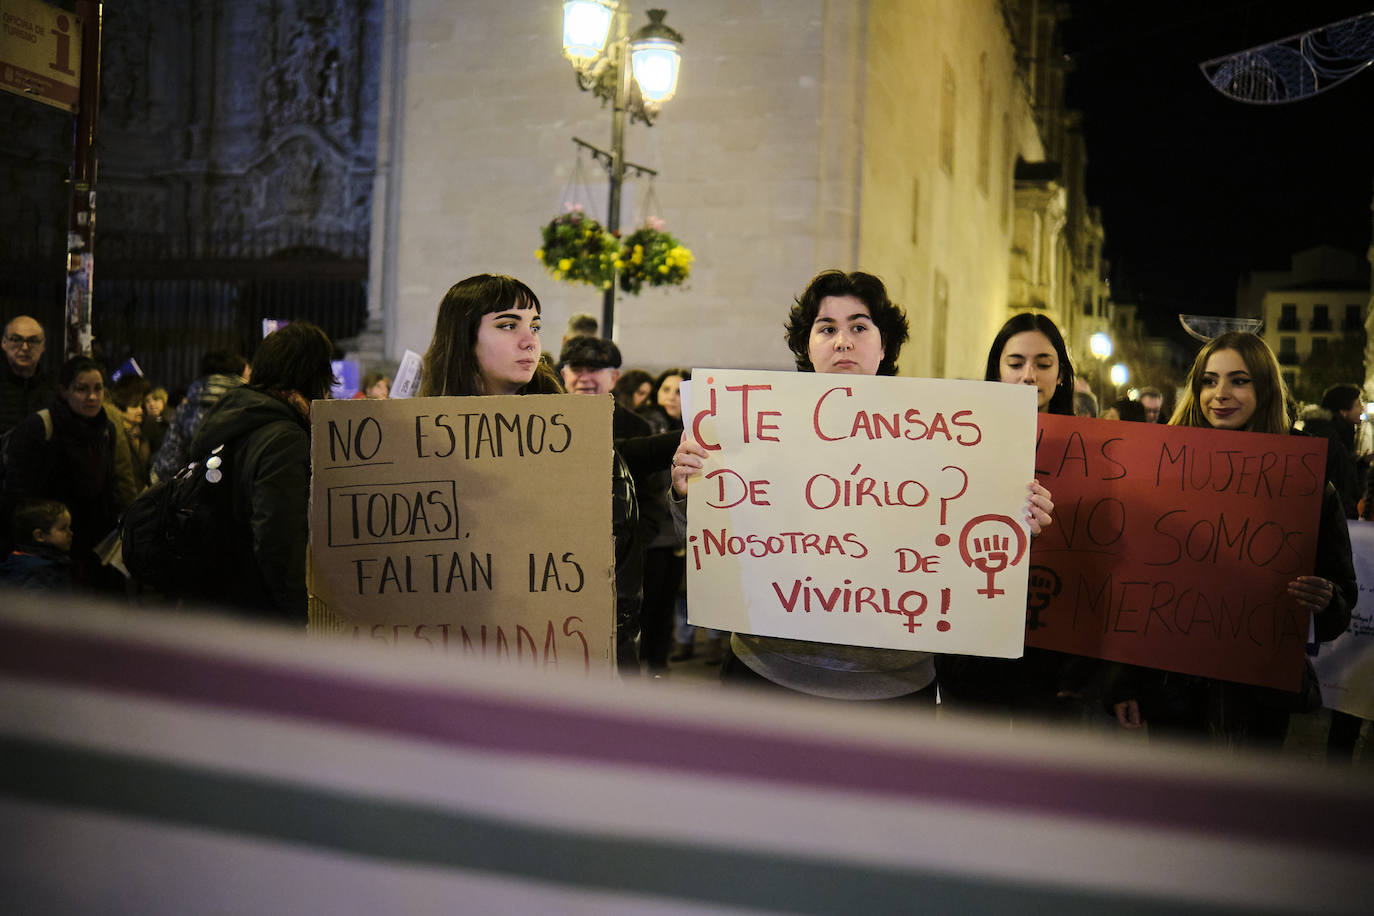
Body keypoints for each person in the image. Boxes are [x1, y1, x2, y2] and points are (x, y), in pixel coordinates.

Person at [669, 271, 1054, 702]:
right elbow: (711, 548)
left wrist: (1019, 519)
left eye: (858, 326)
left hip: (893, 689)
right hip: (768, 676)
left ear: (883, 343)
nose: (843, 341)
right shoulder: (751, 426)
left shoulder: (946, 434)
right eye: (827, 328)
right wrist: (690, 493)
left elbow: (972, 554)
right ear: (807, 344)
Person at [1112, 332, 1355, 749]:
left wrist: (1327, 598)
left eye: (1238, 381)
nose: (1220, 394)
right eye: (1209, 380)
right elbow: (1134, 588)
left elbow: (1340, 603)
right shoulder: (1161, 472)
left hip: (1258, 697)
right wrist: (1124, 684)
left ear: (1264, 388)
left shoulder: (1306, 484)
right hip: (1174, 692)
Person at [421, 274, 643, 674]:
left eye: (535, 326)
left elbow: (619, 574)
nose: (530, 340)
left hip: (561, 663)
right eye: (508, 325)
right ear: (462, 336)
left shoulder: (579, 441)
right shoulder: (415, 443)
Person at [934, 313, 1081, 720]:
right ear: (996, 371)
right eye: (1015, 363)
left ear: (1062, 375)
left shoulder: (1093, 454)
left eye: (1043, 363)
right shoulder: (957, 442)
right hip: (974, 642)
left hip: (1054, 653)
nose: (1028, 375)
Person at [187, 323, 336, 624]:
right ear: (312, 374)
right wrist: (301, 616)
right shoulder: (284, 437)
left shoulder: (239, 415)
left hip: (217, 598)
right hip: (258, 611)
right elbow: (277, 539)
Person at [1, 356, 122, 591]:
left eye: (98, 388)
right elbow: (17, 493)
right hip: (45, 548)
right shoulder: (39, 427)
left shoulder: (106, 430)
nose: (92, 397)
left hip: (92, 545)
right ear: (64, 391)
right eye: (82, 389)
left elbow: (109, 484)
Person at [150, 350, 249, 482]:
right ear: (239, 374)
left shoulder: (186, 409)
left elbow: (168, 465)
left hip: (193, 493)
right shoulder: (249, 405)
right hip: (239, 493)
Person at [1299, 383, 1363, 519]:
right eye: (1358, 404)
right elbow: (1333, 484)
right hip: (1333, 520)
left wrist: (1359, 463)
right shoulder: (1326, 436)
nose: (1362, 409)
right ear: (1343, 411)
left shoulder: (1340, 433)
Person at [0, 497, 74, 592]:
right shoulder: (41, 572)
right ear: (40, 535)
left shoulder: (18, 561)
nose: (71, 533)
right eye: (63, 528)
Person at [1, 315, 54, 435]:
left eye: (33, 341)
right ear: (4, 343)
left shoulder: (55, 391)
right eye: (16, 339)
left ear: (43, 346)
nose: (25, 347)